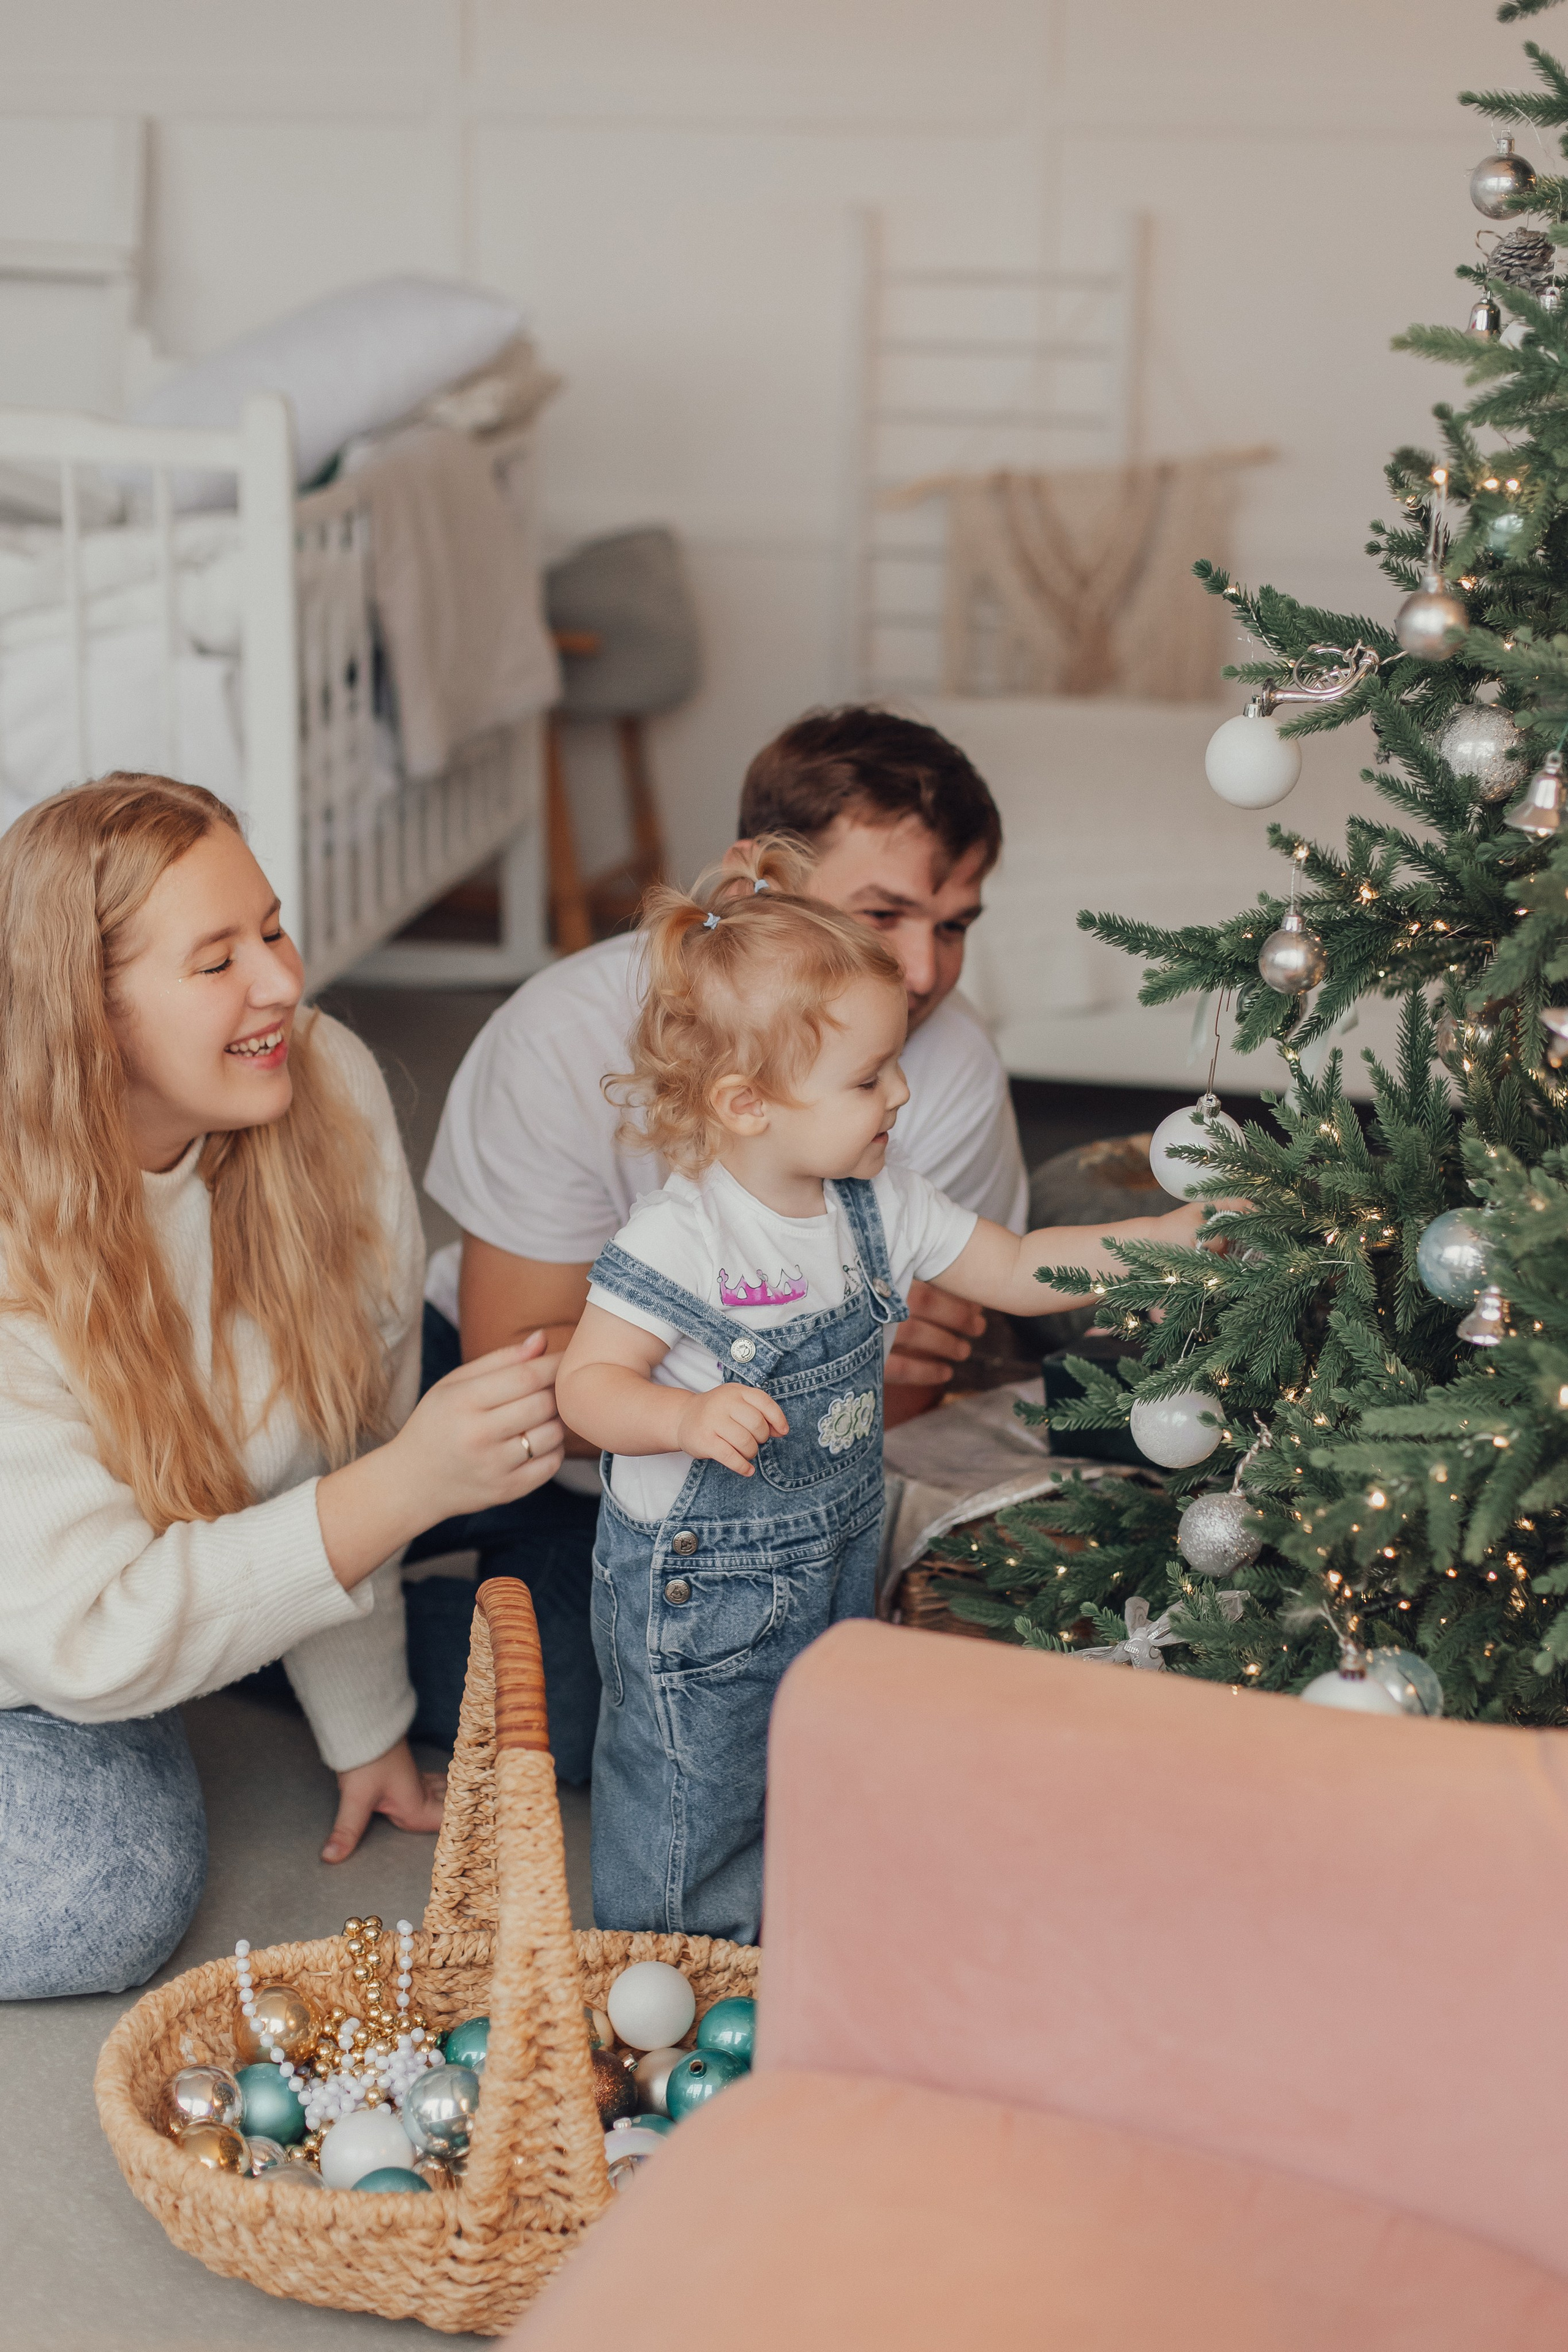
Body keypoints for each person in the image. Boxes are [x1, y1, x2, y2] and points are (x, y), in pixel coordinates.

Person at [555, 841, 1211, 1946]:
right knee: (694, 1787)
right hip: (700, 1590)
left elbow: (1016, 1266)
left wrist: (1156, 1243)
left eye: (895, 1065)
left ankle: (790, 1943)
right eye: (868, 1080)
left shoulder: (879, 1201)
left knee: (819, 1754)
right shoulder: (683, 1235)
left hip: (835, 1555)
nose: (900, 1092)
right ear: (747, 1104)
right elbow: (586, 1387)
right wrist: (681, 1417)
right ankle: (664, 1973)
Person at [0, 775, 565, 2002]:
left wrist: (368, 1726)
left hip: (123, 1571)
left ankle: (208, 1629)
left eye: (271, 929)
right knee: (99, 1895)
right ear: (87, 1017)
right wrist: (410, 1484)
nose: (279, 982)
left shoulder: (324, 1086)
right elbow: (83, 1641)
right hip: (47, 1623)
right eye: (217, 962)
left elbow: (340, 1439)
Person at [411, 707, 1027, 1776]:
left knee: (687, 1710)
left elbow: (916, 1391)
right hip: (508, 1423)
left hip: (760, 1492)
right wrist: (787, 1369)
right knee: (317, 1513)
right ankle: (321, 1630)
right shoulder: (558, 1035)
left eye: (956, 925)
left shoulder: (948, 1066)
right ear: (756, 881)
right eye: (885, 914)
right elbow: (520, 1385)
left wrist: (737, 1381)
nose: (927, 972)